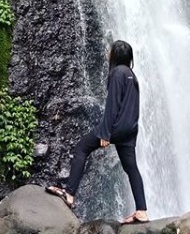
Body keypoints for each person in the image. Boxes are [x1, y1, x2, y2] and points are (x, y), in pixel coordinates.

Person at [46, 39, 149, 224]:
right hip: (130, 130)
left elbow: (113, 104)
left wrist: (105, 132)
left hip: (116, 128)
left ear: (115, 55)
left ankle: (69, 193)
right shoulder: (132, 75)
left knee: (82, 148)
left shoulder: (117, 72)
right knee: (131, 167)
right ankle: (142, 210)